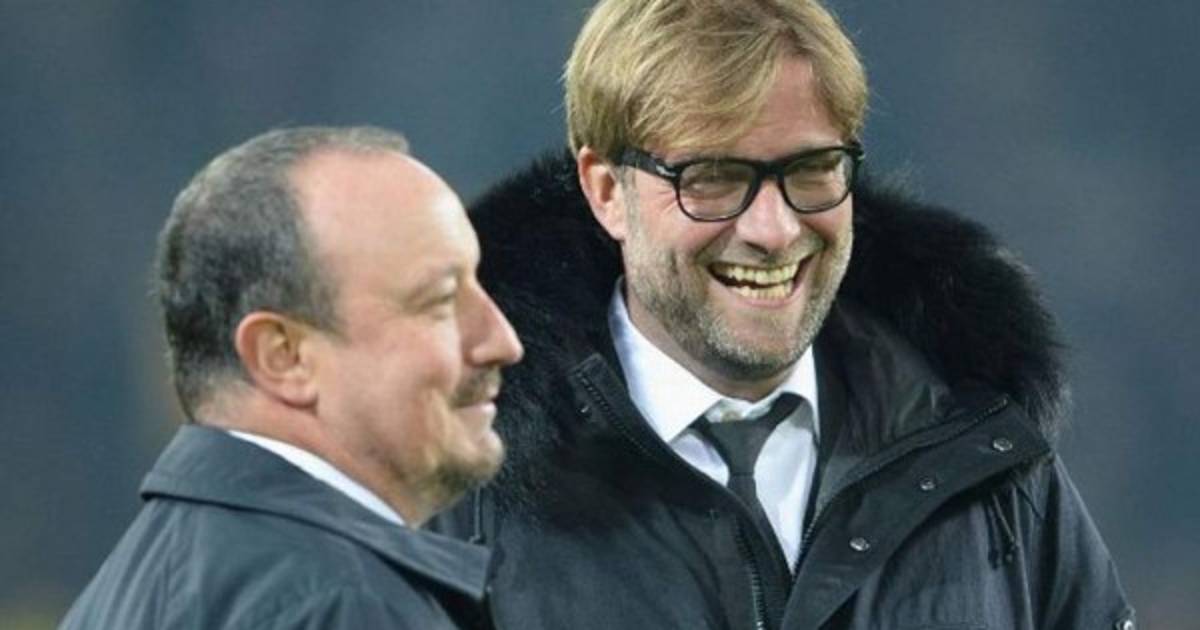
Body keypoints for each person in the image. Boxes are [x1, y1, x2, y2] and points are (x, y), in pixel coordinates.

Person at [429, 1, 1135, 628]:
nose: (774, 229)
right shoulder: (462, 492)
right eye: (712, 178)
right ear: (607, 191)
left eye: (810, 170)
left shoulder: (983, 447)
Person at [60, 126, 523, 629]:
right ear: (283, 357)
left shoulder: (143, 583)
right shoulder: (343, 604)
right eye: (440, 301)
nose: (502, 341)